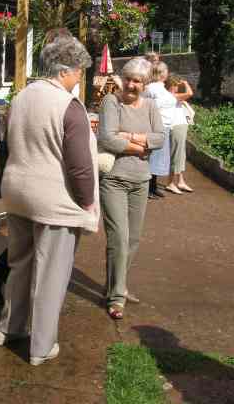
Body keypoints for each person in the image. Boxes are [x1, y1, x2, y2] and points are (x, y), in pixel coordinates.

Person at [0, 35, 100, 366]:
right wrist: (87, 202)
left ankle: (8, 329)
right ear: (66, 70)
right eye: (79, 71)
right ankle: (41, 347)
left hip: (17, 193)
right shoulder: (69, 106)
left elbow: (5, 142)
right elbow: (81, 164)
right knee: (51, 274)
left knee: (20, 265)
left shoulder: (21, 97)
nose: (79, 78)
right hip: (53, 200)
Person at [98, 58, 164, 320]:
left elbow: (160, 137)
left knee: (133, 240)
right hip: (114, 179)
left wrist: (130, 136)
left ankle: (117, 285)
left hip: (141, 181)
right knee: (119, 239)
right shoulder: (111, 102)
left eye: (137, 81)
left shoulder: (150, 106)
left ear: (145, 84)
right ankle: (116, 298)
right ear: (121, 79)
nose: (131, 85)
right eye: (128, 79)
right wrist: (141, 147)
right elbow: (107, 138)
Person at [145, 61, 172, 198]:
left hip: (165, 126)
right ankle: (148, 188)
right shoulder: (150, 88)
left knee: (159, 157)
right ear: (161, 73)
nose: (168, 73)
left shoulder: (162, 87)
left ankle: (153, 186)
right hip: (156, 126)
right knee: (153, 157)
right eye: (166, 71)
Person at [164, 75, 194, 194]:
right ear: (171, 85)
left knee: (181, 154)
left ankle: (180, 181)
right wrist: (186, 83)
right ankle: (170, 183)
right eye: (176, 85)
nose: (178, 87)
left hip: (181, 126)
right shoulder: (171, 96)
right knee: (175, 154)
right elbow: (190, 93)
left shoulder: (175, 96)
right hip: (175, 127)